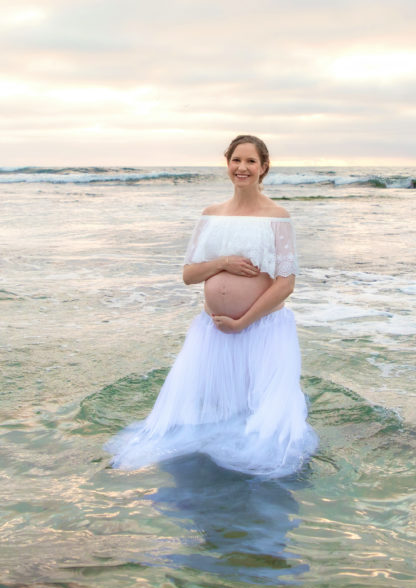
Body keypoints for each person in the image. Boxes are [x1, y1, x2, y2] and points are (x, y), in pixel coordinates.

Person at [107, 135, 318, 478]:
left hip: (261, 329)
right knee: (210, 412)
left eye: (251, 161)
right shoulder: (211, 214)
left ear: (264, 167)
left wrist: (243, 321)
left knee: (258, 422)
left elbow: (285, 284)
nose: (242, 168)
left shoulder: (278, 217)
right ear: (228, 164)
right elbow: (189, 275)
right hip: (212, 331)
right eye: (236, 160)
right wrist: (224, 263)